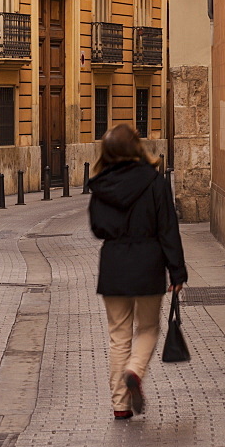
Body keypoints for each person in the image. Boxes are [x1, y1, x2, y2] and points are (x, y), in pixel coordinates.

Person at [88, 123, 187, 420]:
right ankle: (135, 369)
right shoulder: (154, 182)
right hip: (148, 263)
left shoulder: (100, 185)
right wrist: (177, 272)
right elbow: (168, 229)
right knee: (148, 328)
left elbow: (97, 228)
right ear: (136, 148)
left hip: (114, 264)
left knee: (119, 336)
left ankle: (120, 405)